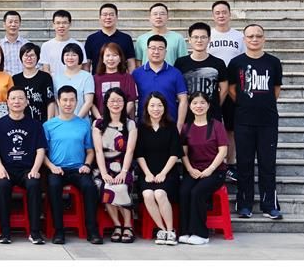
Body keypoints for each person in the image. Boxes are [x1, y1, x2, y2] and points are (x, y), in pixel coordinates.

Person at [227, 24, 283, 220]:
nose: (254, 39)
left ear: (264, 38)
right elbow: (232, 89)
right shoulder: (236, 62)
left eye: (258, 36)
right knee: (245, 163)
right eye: (250, 36)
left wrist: (262, 103)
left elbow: (276, 90)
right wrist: (246, 103)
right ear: (244, 39)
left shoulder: (273, 62)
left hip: (268, 121)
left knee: (268, 163)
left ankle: (270, 205)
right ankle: (244, 204)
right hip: (243, 120)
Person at [42, 85, 103, 245]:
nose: (68, 103)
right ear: (58, 101)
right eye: (65, 100)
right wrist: (51, 167)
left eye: (72, 100)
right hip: (56, 169)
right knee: (53, 186)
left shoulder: (84, 124)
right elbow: (42, 153)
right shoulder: (48, 125)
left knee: (90, 187)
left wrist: (87, 165)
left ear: (76, 101)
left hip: (78, 169)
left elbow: (90, 151)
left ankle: (92, 231)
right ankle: (58, 231)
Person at [0, 87, 48, 245]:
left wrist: (35, 170)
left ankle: (35, 232)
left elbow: (40, 150)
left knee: (34, 184)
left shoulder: (35, 125)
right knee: (2, 186)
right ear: (7, 102)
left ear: (26, 102)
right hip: (6, 169)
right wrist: (0, 169)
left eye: (21, 98)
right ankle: (5, 232)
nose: (17, 101)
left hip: (27, 169)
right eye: (13, 98)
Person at [178, 91, 229, 245]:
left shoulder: (217, 125)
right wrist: (189, 169)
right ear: (190, 106)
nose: (198, 106)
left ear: (208, 105)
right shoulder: (186, 127)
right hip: (194, 170)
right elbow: (183, 153)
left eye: (202, 103)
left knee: (197, 192)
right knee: (184, 191)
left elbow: (223, 151)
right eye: (195, 103)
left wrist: (210, 169)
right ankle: (185, 231)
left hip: (215, 171)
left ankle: (201, 234)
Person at [135, 92, 182, 246]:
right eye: (152, 105)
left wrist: (163, 173)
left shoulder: (171, 127)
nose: (156, 109)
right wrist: (148, 173)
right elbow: (139, 154)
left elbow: (175, 153)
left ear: (165, 108)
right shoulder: (141, 128)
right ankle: (161, 229)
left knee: (160, 193)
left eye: (159, 105)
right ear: (146, 108)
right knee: (148, 194)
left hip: (168, 173)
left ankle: (170, 230)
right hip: (147, 173)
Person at [92, 88, 138, 244]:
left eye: (119, 100)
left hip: (124, 165)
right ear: (106, 103)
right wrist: (104, 173)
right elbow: (98, 151)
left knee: (121, 187)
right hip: (103, 166)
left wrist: (124, 171)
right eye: (112, 100)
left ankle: (128, 225)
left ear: (124, 103)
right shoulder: (98, 124)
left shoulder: (130, 124)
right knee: (105, 186)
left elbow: (130, 150)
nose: (116, 104)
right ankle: (117, 225)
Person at [208, 0, 246, 183]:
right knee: (209, 127)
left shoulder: (239, 36)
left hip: (232, 87)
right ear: (213, 15)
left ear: (230, 14)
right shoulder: (208, 35)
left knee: (230, 128)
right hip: (211, 87)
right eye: (217, 12)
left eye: (224, 12)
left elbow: (245, 60)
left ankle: (230, 164)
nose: (221, 15)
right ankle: (210, 162)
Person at [175, 22, 228, 127]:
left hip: (212, 115)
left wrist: (213, 105)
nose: (199, 40)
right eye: (195, 37)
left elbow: (224, 89)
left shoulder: (218, 63)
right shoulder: (180, 63)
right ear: (189, 40)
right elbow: (177, 89)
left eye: (203, 37)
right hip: (187, 115)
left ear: (209, 39)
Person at [132, 35, 188, 131]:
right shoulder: (137, 73)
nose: (156, 52)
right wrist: (133, 124)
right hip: (144, 126)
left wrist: (179, 126)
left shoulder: (175, 73)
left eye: (160, 48)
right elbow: (131, 101)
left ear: (165, 52)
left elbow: (183, 99)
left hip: (169, 125)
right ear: (147, 50)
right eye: (153, 48)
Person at [84, 3, 136, 74]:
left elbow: (131, 64)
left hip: (121, 79)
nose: (108, 17)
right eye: (105, 15)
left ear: (116, 17)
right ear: (100, 18)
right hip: (98, 79)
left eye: (111, 15)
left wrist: (131, 79)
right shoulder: (91, 39)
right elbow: (86, 65)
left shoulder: (126, 38)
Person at [92, 42, 138, 120]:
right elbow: (92, 103)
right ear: (102, 59)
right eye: (107, 55)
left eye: (114, 55)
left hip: (122, 120)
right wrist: (100, 119)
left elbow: (131, 101)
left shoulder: (127, 77)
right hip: (101, 120)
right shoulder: (95, 78)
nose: (111, 59)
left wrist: (118, 119)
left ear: (120, 58)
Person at [11, 42, 55, 122]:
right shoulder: (15, 79)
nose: (29, 59)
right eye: (26, 56)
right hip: (21, 123)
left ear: (37, 58)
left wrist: (49, 123)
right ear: (21, 58)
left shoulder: (45, 77)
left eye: (32, 55)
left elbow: (50, 102)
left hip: (42, 122)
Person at [53, 43, 94, 120]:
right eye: (67, 55)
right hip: (61, 122)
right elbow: (55, 102)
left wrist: (76, 121)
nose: (70, 58)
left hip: (81, 121)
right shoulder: (56, 78)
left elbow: (88, 102)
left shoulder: (87, 76)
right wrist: (59, 120)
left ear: (80, 57)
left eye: (74, 55)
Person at [40, 10, 87, 77]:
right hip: (53, 82)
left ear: (70, 24)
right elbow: (46, 69)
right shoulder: (46, 46)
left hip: (73, 82)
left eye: (64, 23)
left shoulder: (78, 45)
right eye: (58, 23)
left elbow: (82, 67)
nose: (61, 26)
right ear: (53, 25)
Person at [0, 11, 28, 76]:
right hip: (4, 80)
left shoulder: (27, 45)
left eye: (16, 22)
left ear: (20, 24)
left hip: (24, 80)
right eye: (10, 22)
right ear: (4, 24)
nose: (13, 25)